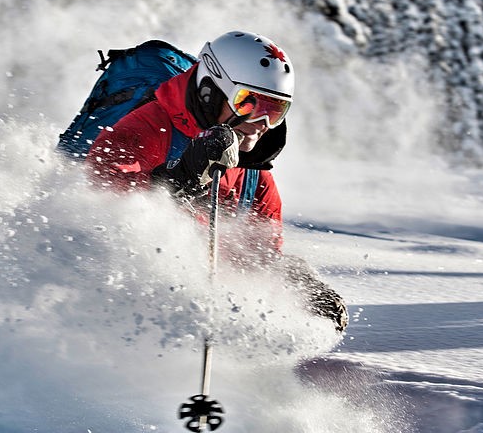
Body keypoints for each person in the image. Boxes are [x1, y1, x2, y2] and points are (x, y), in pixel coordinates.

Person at [86, 31, 348, 331]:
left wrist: (296, 285)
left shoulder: (254, 176)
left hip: (183, 314)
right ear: (210, 92)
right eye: (249, 104)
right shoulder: (145, 129)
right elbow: (99, 208)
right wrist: (176, 182)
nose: (261, 124)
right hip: (111, 305)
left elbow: (256, 257)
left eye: (275, 111)